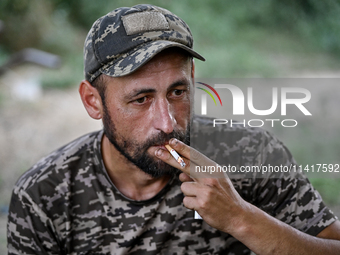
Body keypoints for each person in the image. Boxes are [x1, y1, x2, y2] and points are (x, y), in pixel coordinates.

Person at [7, 4, 340, 255]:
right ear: (93, 101)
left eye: (178, 92)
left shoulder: (251, 153)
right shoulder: (44, 196)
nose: (167, 122)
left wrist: (242, 219)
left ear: (193, 80)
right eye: (140, 99)